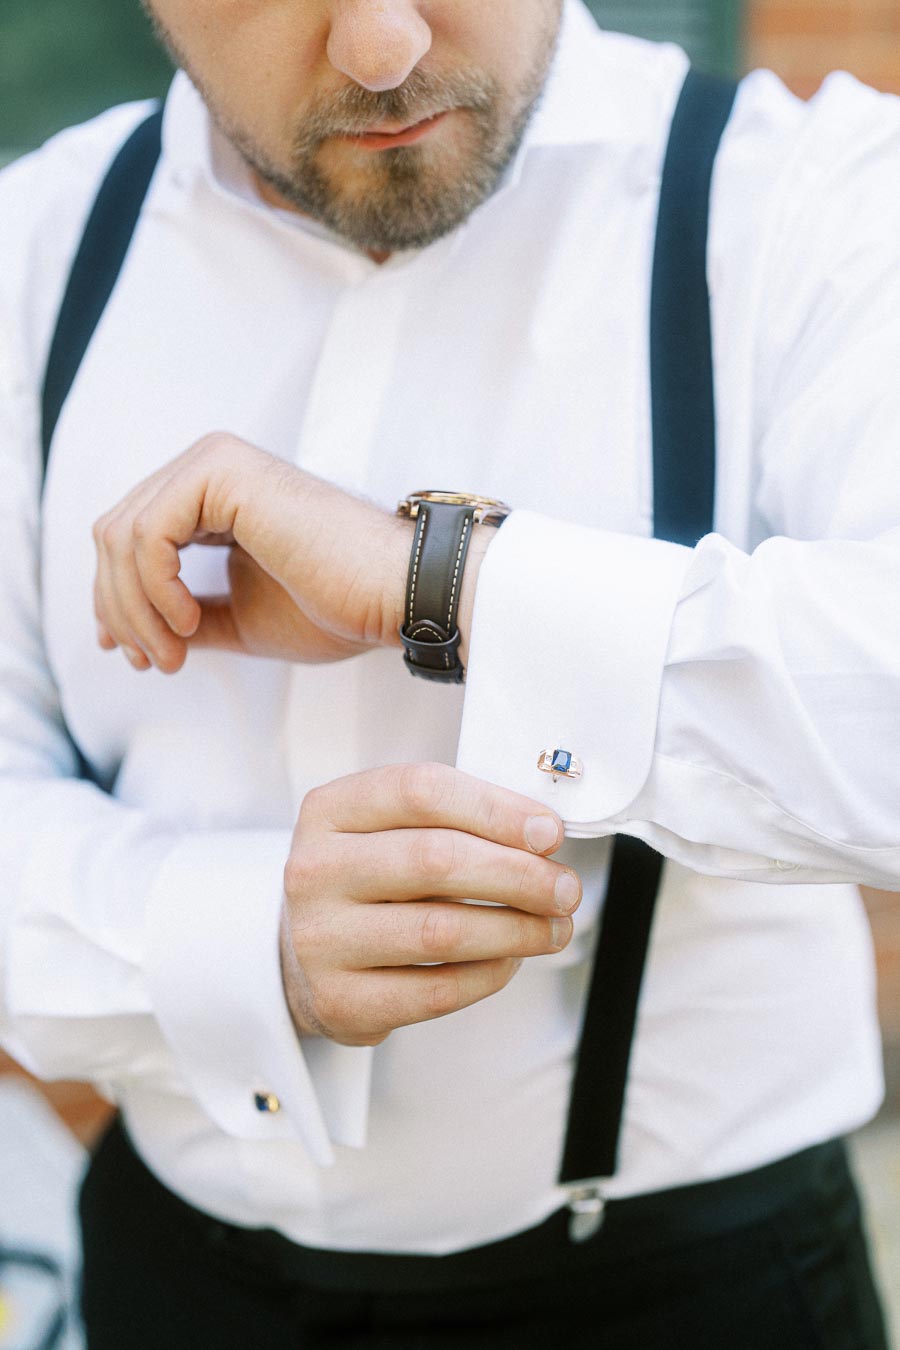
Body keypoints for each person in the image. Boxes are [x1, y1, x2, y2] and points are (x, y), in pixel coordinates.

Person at [1, 0, 899, 1344]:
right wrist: (235, 941)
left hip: (707, 1291)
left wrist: (438, 581)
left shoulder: (813, 200)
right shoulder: (32, 252)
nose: (380, 47)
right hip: (171, 1285)